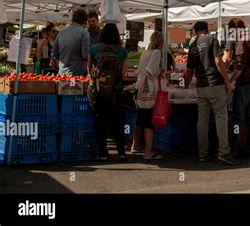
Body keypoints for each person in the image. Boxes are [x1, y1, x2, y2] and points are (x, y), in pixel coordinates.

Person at [185, 21, 238, 165]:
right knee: (221, 118)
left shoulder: (193, 45)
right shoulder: (212, 39)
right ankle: (224, 152)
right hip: (215, 84)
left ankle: (203, 153)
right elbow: (218, 61)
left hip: (201, 86)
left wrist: (185, 86)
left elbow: (189, 70)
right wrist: (227, 80)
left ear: (195, 31)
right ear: (207, 30)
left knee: (202, 120)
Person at [88, 23, 128, 162]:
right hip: (115, 92)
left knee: (100, 122)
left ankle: (103, 154)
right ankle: (122, 153)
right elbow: (123, 73)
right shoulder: (122, 51)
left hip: (98, 92)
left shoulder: (94, 49)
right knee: (117, 122)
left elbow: (90, 71)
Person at [229, 19, 250, 159]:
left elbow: (240, 65)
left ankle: (235, 146)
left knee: (238, 117)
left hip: (244, 83)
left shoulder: (242, 42)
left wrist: (230, 80)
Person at [132, 32, 165, 160]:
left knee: (140, 119)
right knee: (148, 122)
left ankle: (135, 146)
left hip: (139, 87)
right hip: (149, 89)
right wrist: (160, 72)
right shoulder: (156, 53)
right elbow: (150, 71)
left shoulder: (146, 52)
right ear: (161, 42)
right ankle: (148, 152)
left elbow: (140, 71)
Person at [51, 9, 90, 76]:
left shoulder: (61, 32)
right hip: (78, 74)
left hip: (62, 74)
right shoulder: (84, 33)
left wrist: (62, 67)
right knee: (74, 86)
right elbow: (85, 55)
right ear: (85, 21)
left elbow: (54, 54)